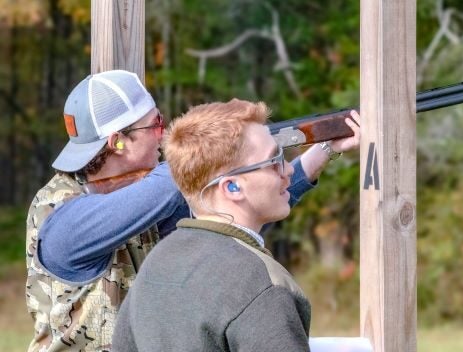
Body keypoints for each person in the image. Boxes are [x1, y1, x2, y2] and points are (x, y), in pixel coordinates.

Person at [25, 70, 360, 352]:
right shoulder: (61, 219)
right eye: (155, 125)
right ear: (118, 142)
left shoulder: (140, 197)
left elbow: (229, 213)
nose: (164, 133)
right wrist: (225, 144)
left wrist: (322, 151)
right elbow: (197, 179)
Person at [113, 99, 319, 351]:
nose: (287, 170)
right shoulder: (259, 283)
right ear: (231, 187)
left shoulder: (155, 264)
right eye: (274, 160)